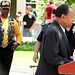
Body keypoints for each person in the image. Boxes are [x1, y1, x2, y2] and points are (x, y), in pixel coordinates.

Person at [35, 4, 74, 75]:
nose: (73, 19)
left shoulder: (60, 29)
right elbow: (52, 57)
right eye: (71, 17)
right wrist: (70, 64)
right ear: (63, 17)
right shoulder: (53, 31)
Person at [0, 1, 22, 75]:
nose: (5, 11)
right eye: (4, 9)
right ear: (0, 9)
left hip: (8, 49)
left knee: (6, 70)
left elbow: (18, 34)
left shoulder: (13, 21)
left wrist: (17, 43)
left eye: (7, 9)